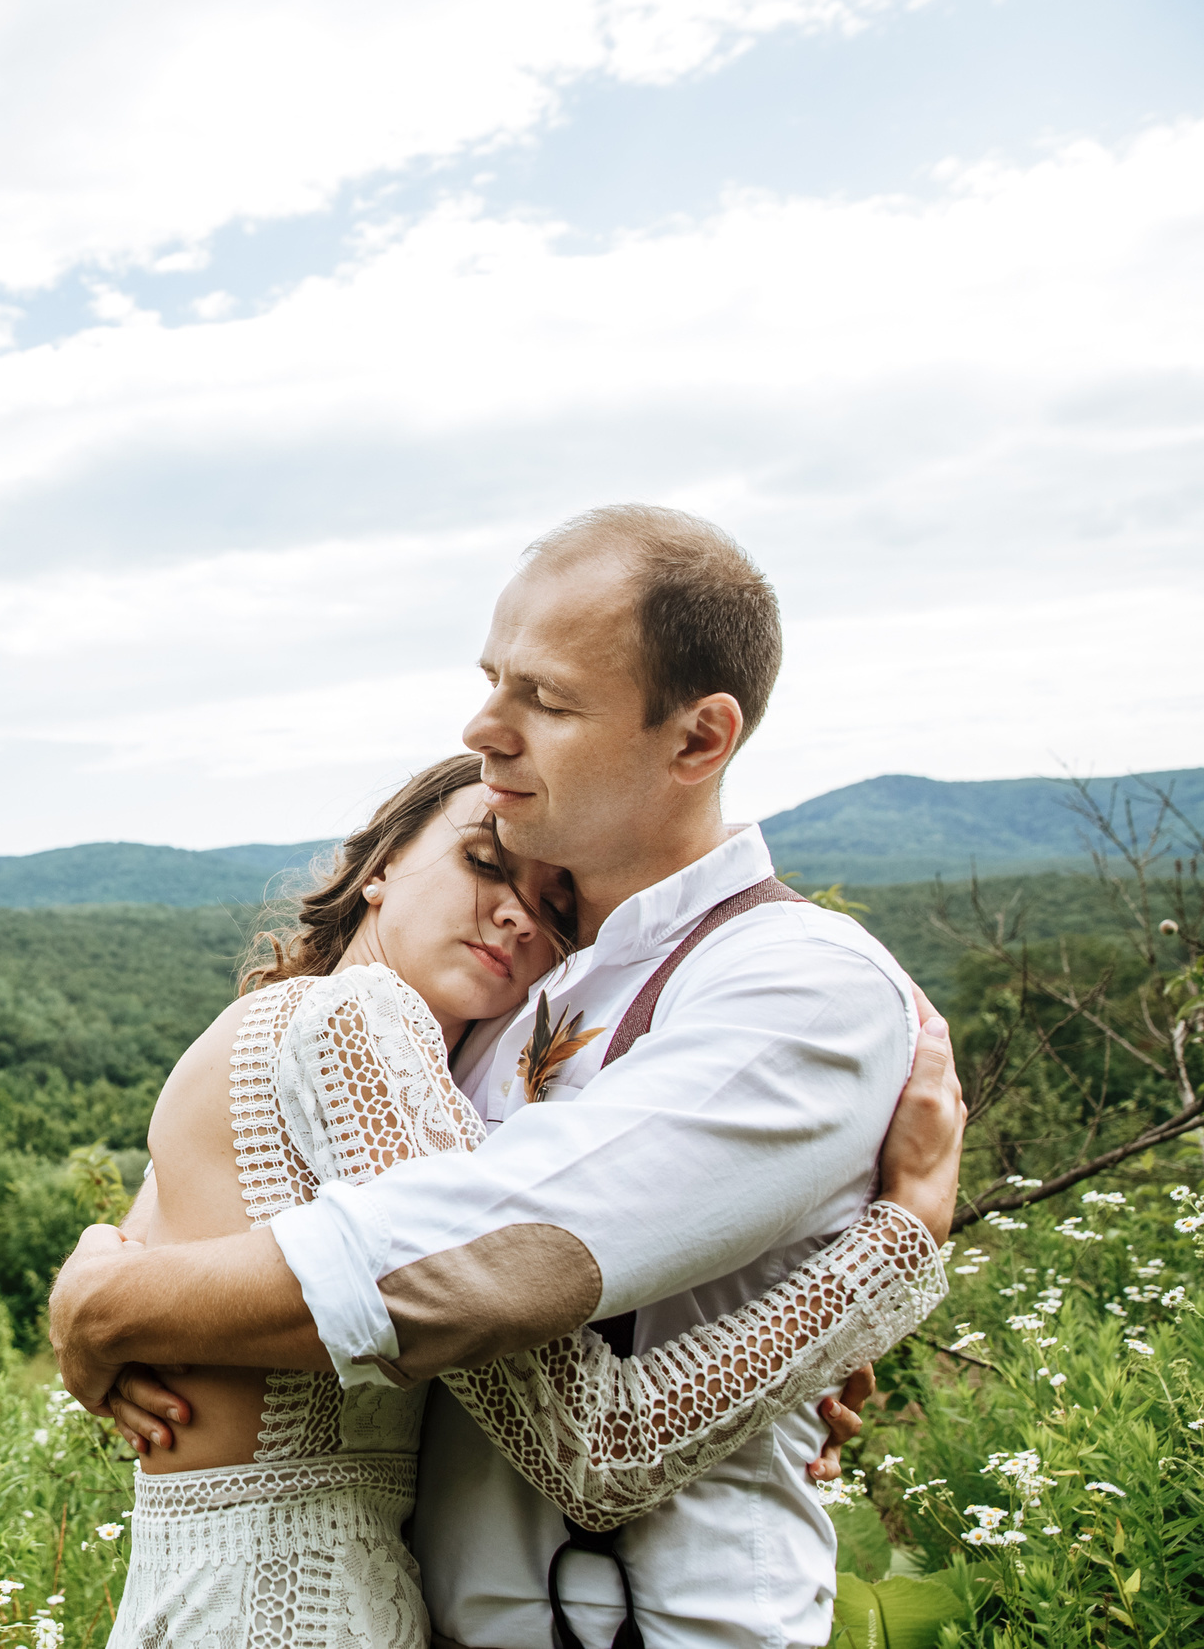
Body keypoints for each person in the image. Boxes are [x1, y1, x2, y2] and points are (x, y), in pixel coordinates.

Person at [49, 506, 970, 1649]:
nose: (485, 728)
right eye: (493, 679)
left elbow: (489, 1296)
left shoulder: (796, 981)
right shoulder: (499, 1010)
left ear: (696, 739)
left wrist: (102, 1304)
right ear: (378, 873)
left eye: (545, 697)